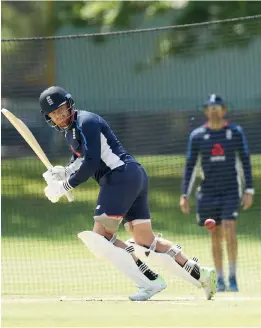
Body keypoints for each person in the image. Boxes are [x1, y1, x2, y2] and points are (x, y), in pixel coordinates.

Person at [39, 86, 217, 301]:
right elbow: (81, 159)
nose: (59, 116)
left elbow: (92, 161)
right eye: (54, 114)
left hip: (120, 177)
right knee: (144, 240)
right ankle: (201, 274)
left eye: (61, 109)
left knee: (101, 237)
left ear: (69, 105)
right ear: (49, 118)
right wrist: (64, 171)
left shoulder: (86, 121)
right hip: (131, 175)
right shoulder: (71, 131)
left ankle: (150, 281)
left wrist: (66, 186)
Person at [179, 94, 254, 292]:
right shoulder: (197, 136)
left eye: (217, 107)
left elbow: (245, 161)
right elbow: (190, 166)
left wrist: (249, 190)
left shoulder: (235, 133)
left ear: (224, 110)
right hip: (208, 192)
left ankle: (232, 275)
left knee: (230, 228)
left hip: (230, 189)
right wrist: (184, 194)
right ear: (206, 111)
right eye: (210, 107)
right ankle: (219, 278)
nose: (214, 110)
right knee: (215, 234)